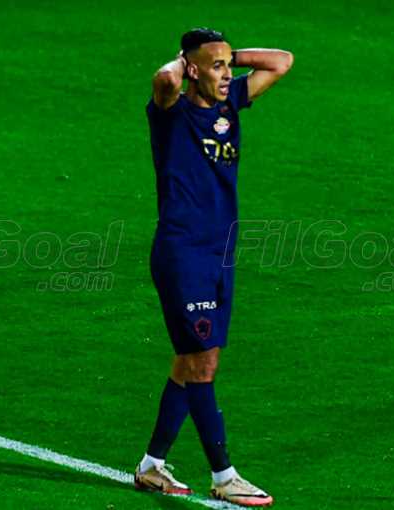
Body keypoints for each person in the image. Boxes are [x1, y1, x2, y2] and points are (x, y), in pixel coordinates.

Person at [134, 27, 293, 507]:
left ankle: (151, 467)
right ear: (193, 69)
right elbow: (165, 80)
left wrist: (226, 56)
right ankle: (224, 476)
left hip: (219, 254)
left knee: (194, 361)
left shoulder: (229, 105)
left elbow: (281, 61)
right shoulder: (171, 114)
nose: (228, 75)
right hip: (183, 254)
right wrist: (186, 62)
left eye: (229, 66)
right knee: (201, 364)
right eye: (217, 67)